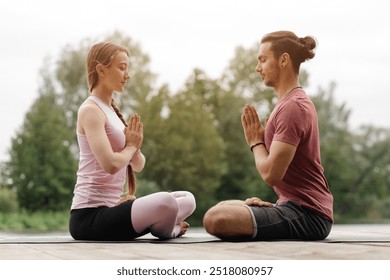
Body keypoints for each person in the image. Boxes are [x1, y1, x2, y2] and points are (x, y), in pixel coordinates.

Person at [203, 31, 333, 241]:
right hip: (294, 207)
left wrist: (256, 142)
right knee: (223, 207)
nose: (257, 68)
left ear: (283, 60)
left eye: (263, 60)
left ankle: (274, 209)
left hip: (310, 215)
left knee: (215, 218)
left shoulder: (293, 107)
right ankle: (274, 207)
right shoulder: (287, 104)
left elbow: (272, 173)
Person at [69, 42, 196, 241]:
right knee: (166, 202)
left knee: (187, 199)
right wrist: (130, 146)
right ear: (101, 70)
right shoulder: (90, 111)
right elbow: (110, 165)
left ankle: (162, 221)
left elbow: (137, 165)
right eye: (122, 68)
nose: (127, 75)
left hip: (111, 211)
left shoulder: (111, 112)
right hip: (88, 218)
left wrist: (134, 148)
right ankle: (171, 230)